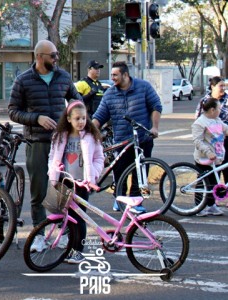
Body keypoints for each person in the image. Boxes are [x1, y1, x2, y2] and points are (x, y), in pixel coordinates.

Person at [8, 40, 82, 251]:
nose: (56, 59)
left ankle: (64, 232)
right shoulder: (23, 81)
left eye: (57, 55)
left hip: (63, 142)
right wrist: (36, 118)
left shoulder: (64, 77)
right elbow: (13, 111)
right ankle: (39, 235)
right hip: (37, 142)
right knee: (39, 190)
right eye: (53, 55)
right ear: (39, 57)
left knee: (64, 190)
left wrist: (77, 118)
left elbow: (76, 101)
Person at [92, 61, 162, 213]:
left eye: (115, 75)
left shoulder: (143, 87)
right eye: (111, 75)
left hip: (143, 138)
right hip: (122, 140)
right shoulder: (110, 94)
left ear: (125, 75)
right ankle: (119, 199)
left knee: (140, 170)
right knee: (120, 171)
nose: (112, 78)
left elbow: (156, 106)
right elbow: (99, 116)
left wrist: (154, 127)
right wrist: (87, 132)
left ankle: (136, 202)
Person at [48, 100, 104, 263]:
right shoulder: (59, 136)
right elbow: (52, 156)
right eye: (77, 118)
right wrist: (53, 171)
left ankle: (77, 250)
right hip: (63, 181)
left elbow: (99, 158)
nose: (81, 122)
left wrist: (93, 174)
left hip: (82, 184)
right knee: (62, 215)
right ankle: (68, 245)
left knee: (79, 218)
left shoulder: (91, 136)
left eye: (84, 118)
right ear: (69, 119)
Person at [192, 97, 228, 216]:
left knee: (214, 182)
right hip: (205, 158)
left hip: (217, 157)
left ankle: (211, 205)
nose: (220, 110)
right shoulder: (200, 122)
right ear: (212, 110)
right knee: (203, 182)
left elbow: (226, 129)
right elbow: (197, 141)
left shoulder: (217, 120)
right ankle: (198, 206)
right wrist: (208, 152)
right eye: (218, 108)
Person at [196, 76, 228, 185]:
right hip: (209, 140)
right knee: (208, 174)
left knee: (225, 167)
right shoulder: (204, 101)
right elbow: (198, 119)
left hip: (224, 139)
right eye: (221, 86)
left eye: (224, 86)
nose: (223, 88)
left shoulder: (227, 99)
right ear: (212, 86)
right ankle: (206, 201)